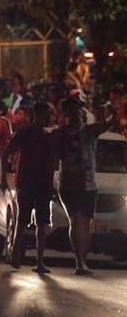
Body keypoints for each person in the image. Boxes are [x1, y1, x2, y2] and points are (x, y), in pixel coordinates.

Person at [54, 96, 112, 275]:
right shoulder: (61, 134)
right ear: (66, 113)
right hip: (71, 185)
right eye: (72, 109)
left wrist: (112, 111)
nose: (76, 113)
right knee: (78, 222)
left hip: (86, 184)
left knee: (83, 224)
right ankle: (80, 262)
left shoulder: (89, 131)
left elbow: (109, 123)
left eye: (78, 109)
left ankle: (81, 261)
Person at [0, 101, 57, 274]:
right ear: (38, 115)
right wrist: (3, 178)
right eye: (47, 114)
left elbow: (51, 164)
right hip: (27, 183)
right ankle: (17, 254)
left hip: (41, 185)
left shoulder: (48, 136)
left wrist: (51, 185)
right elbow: (6, 153)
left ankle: (37, 260)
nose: (49, 118)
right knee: (24, 220)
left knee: (40, 222)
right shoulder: (26, 132)